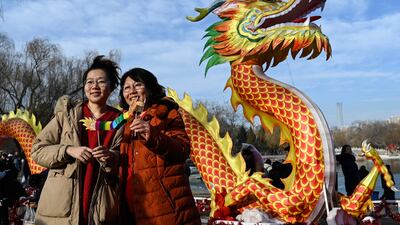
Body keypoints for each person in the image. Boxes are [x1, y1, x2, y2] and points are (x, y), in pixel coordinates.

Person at [31, 55, 123, 225]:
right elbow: (37, 150)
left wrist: (112, 157)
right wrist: (68, 150)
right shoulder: (67, 115)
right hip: (61, 205)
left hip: (102, 205)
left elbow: (128, 161)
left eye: (101, 82)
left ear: (111, 87)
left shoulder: (120, 121)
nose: (94, 86)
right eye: (89, 82)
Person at [118, 67, 201, 225]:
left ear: (149, 88)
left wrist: (153, 135)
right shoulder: (123, 122)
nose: (132, 91)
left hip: (166, 208)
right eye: (126, 87)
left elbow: (182, 151)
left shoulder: (167, 114)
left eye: (138, 85)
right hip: (131, 208)